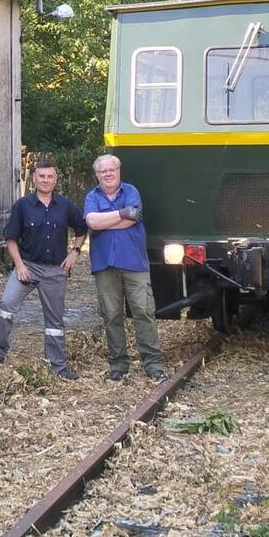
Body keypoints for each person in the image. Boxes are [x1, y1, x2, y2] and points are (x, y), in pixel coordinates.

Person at [0, 156, 87, 380]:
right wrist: (19, 266)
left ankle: (57, 365)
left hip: (55, 272)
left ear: (56, 180)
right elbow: (10, 239)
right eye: (42, 176)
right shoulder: (22, 206)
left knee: (55, 321)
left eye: (50, 177)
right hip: (27, 267)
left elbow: (82, 228)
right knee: (6, 305)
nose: (46, 180)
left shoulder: (65, 206)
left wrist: (75, 252)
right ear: (34, 178)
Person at [84, 154, 166, 382]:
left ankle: (153, 363)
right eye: (103, 171)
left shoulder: (131, 191)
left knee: (144, 312)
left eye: (111, 170)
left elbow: (134, 218)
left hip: (134, 263)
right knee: (111, 315)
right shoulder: (92, 196)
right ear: (97, 175)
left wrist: (105, 221)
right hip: (104, 265)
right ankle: (118, 364)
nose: (108, 174)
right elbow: (92, 222)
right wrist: (121, 214)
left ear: (119, 171)